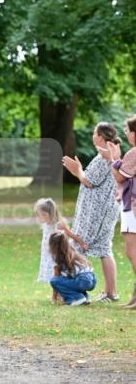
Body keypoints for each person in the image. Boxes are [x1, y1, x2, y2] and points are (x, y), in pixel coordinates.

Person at [62, 122, 121, 302]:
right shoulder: (106, 154)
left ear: (101, 137)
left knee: (80, 246)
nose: (92, 135)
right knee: (104, 249)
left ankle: (76, 291)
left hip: (97, 213)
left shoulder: (104, 156)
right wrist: (79, 171)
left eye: (95, 133)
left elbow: (89, 181)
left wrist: (77, 171)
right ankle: (110, 293)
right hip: (102, 210)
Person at [107, 114, 136, 309]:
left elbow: (120, 177)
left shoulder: (133, 153)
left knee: (132, 251)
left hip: (132, 206)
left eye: (127, 130)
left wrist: (114, 158)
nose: (126, 134)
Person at [33, 197, 86, 299]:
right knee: (53, 274)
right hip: (48, 254)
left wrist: (82, 243)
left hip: (57, 254)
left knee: (58, 273)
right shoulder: (46, 224)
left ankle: (58, 295)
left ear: (48, 214)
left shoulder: (58, 225)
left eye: (40, 215)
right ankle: (57, 295)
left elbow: (70, 234)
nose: (39, 218)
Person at [49, 231, 97, 305]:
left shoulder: (58, 258)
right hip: (92, 279)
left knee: (54, 280)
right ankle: (84, 298)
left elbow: (57, 277)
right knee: (73, 280)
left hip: (82, 280)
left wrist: (54, 297)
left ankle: (77, 298)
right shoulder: (72, 252)